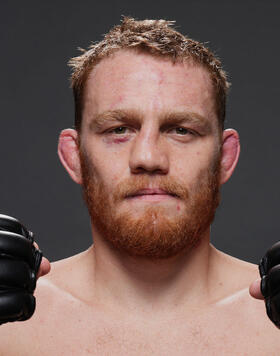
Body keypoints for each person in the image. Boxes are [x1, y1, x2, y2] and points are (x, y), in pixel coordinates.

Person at [0, 17, 279, 355]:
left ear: (224, 158)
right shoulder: (10, 328)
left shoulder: (272, 326)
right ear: (74, 156)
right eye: (118, 129)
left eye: (181, 130)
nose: (147, 157)